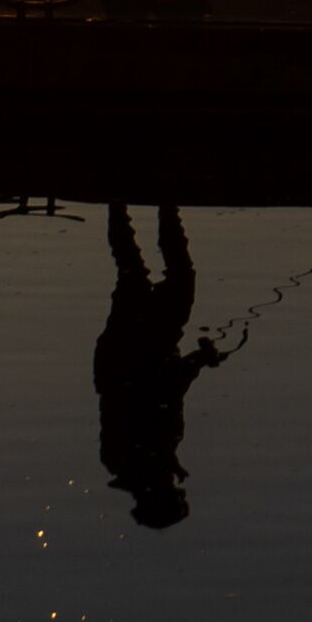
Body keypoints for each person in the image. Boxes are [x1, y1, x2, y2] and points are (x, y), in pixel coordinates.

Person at [92, 201, 229, 527]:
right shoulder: (125, 461)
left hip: (136, 349)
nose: (178, 486)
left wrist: (200, 358)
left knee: (158, 276)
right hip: (123, 354)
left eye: (176, 493)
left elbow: (164, 387)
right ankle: (129, 206)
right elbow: (168, 387)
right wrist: (198, 359)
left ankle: (161, 207)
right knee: (133, 271)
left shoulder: (137, 454)